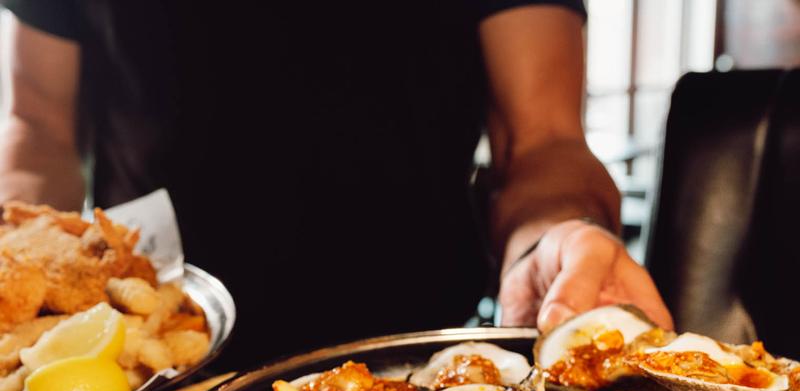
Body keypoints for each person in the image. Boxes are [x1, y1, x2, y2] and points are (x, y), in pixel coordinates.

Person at [0, 1, 672, 370]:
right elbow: (37, 123)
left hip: (409, 362)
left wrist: (554, 239)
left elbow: (543, 140)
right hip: (151, 362)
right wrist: (12, 255)